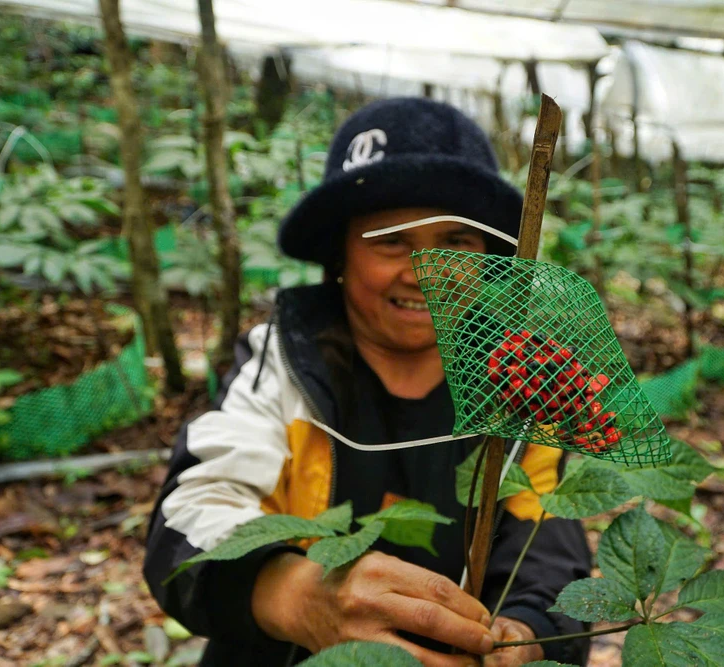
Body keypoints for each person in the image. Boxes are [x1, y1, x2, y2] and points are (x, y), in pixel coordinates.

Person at [143, 97, 592, 666]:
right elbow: (189, 518)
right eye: (392, 241)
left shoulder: (524, 384)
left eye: (456, 242)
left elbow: (550, 553)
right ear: (340, 255)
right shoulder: (283, 366)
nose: (426, 273)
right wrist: (295, 597)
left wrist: (522, 635)